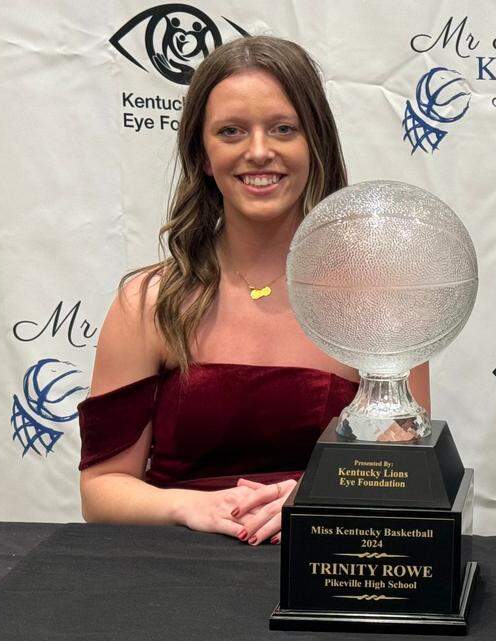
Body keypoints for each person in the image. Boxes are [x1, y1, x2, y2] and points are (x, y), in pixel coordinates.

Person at [78, 36, 430, 546]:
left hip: (326, 566)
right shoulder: (148, 303)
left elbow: (406, 474)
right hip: (172, 572)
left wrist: (320, 499)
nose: (259, 151)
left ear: (315, 144)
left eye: (283, 129)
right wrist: (188, 506)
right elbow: (102, 490)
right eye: (231, 131)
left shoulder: (379, 303)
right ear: (202, 155)